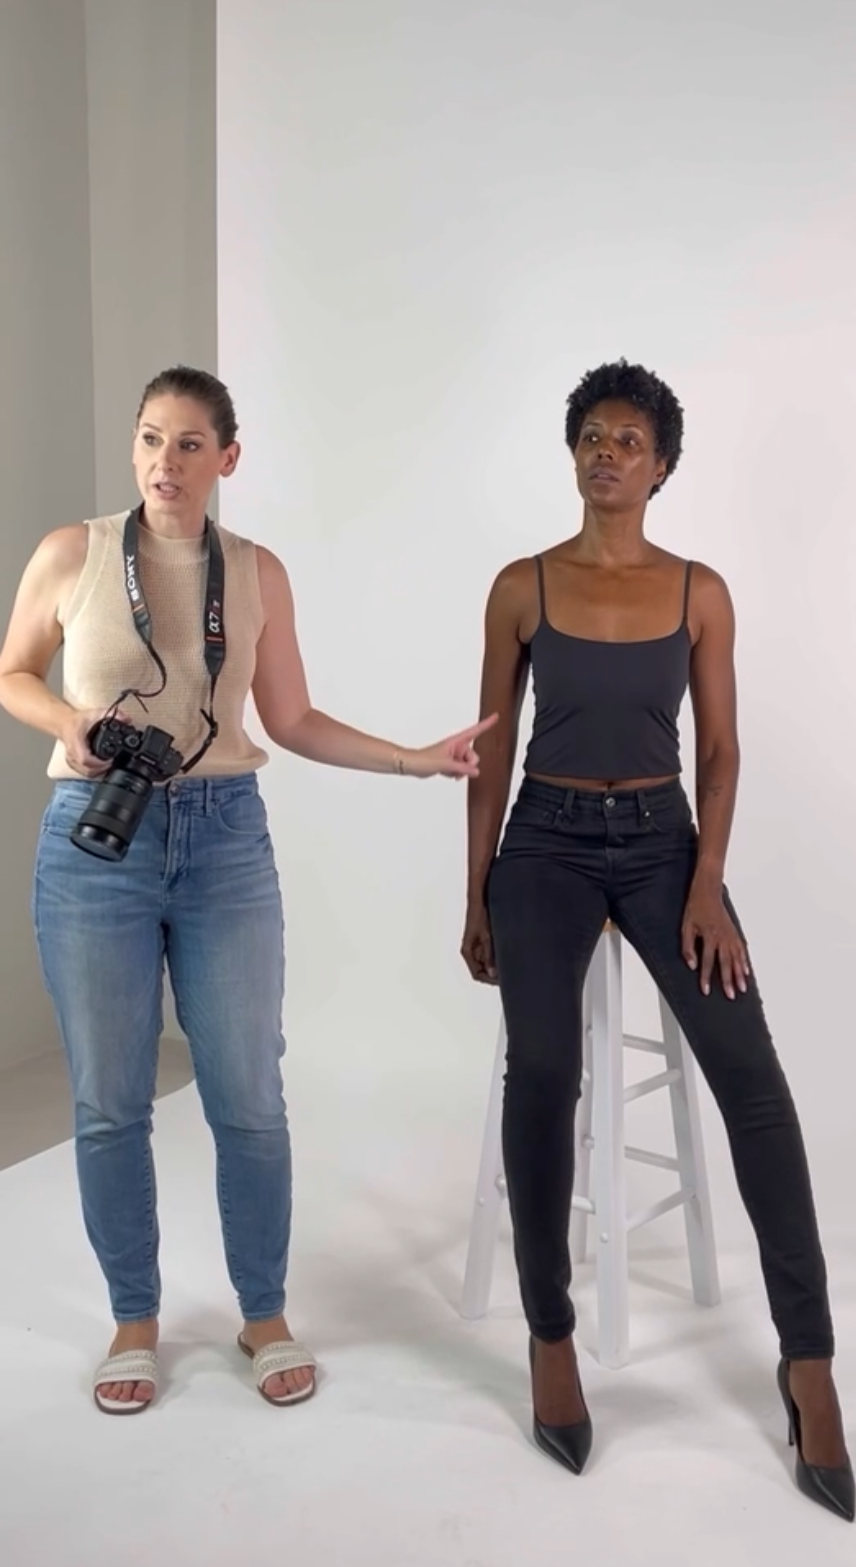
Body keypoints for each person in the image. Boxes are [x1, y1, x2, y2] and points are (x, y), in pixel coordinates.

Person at [0, 366, 495, 1415]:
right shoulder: (71, 553)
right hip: (97, 839)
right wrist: (69, 724)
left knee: (250, 1097)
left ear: (227, 457)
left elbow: (294, 718)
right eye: (150, 439)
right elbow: (12, 673)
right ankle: (134, 1319)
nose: (165, 463)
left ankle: (262, 1312)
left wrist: (415, 760)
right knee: (108, 1100)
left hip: (224, 838)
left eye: (189, 444)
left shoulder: (257, 570)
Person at [461, 360, 855, 1520]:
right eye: (592, 435)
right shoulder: (522, 587)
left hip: (664, 845)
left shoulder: (699, 592)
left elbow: (722, 751)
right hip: (544, 843)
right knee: (545, 1071)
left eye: (630, 440)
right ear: (572, 454)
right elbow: (491, 751)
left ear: (663, 466)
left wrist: (707, 886)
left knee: (753, 1079)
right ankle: (550, 1334)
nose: (608, 453)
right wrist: (478, 891)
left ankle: (810, 1361)